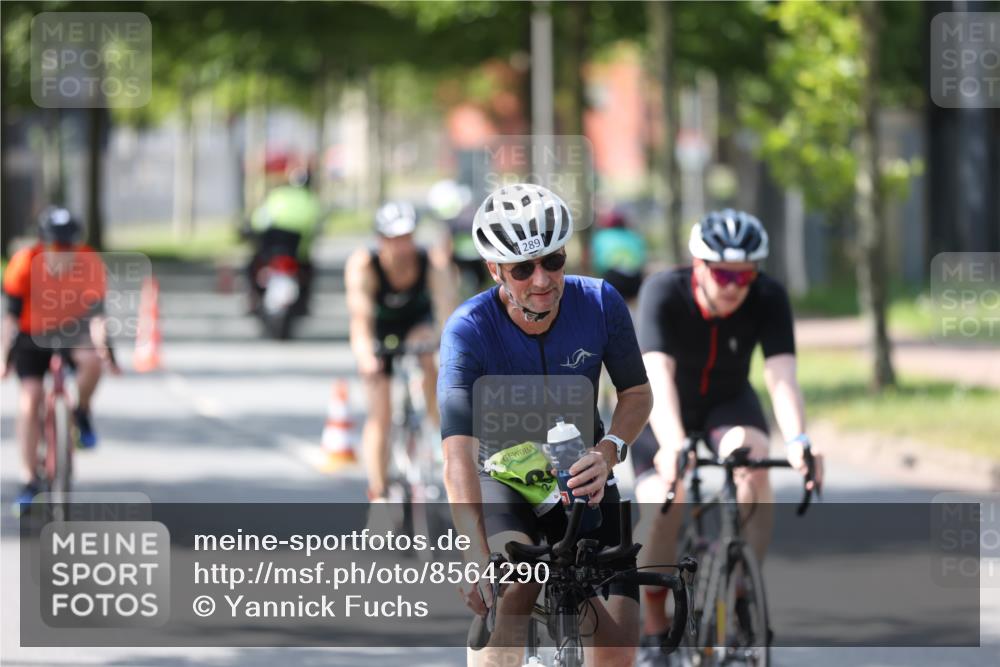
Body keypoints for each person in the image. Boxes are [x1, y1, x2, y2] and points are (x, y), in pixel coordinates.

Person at [438, 183, 653, 666]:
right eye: (521, 269)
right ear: (495, 270)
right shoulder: (468, 329)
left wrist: (609, 450)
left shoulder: (600, 303)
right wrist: (473, 554)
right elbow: (456, 456)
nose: (542, 280)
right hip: (503, 479)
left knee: (619, 651)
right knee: (515, 581)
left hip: (582, 476)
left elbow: (637, 395)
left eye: (552, 260)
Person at [631, 209, 824, 665]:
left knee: (754, 466)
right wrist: (675, 444)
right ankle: (656, 628)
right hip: (662, 406)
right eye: (723, 273)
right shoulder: (663, 290)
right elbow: (656, 376)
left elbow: (781, 377)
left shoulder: (769, 296)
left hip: (727, 401)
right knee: (666, 499)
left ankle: (740, 585)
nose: (736, 285)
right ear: (698, 266)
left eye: (746, 275)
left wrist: (798, 440)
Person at [1, 207, 120, 510]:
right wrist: (3, 355)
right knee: (30, 400)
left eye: (68, 245)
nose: (62, 253)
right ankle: (29, 480)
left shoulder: (88, 262)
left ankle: (80, 412)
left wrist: (104, 347)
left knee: (92, 362)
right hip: (31, 335)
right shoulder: (24, 263)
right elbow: (10, 318)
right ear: (42, 243)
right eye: (56, 245)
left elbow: (97, 316)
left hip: (72, 329)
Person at [344, 200, 457, 500]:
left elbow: (448, 315)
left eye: (407, 237)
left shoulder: (431, 262)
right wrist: (366, 356)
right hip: (379, 331)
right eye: (394, 239)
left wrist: (451, 354)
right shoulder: (364, 265)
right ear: (381, 239)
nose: (403, 246)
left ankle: (435, 432)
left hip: (415, 325)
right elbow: (360, 319)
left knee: (430, 357)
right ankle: (379, 493)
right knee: (380, 413)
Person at [246, 165, 322, 314]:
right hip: (298, 252)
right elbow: (317, 227)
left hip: (272, 249)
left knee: (251, 266)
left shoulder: (278, 195)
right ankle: (304, 302)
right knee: (309, 272)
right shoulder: (312, 201)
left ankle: (252, 298)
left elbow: (258, 220)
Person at [591, 208, 646, 304]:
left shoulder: (601, 236)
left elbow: (598, 263)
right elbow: (641, 260)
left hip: (613, 277)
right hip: (634, 278)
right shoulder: (634, 236)